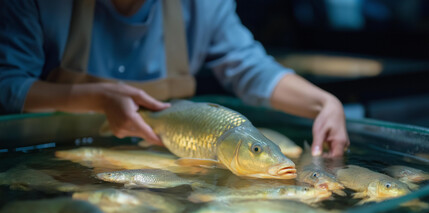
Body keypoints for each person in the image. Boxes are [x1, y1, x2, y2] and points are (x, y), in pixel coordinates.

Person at [0, 0, 349, 157]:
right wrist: (97, 99)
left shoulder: (204, 5)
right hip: (60, 157)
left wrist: (325, 103)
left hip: (170, 162)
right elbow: (7, 84)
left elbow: (251, 67)